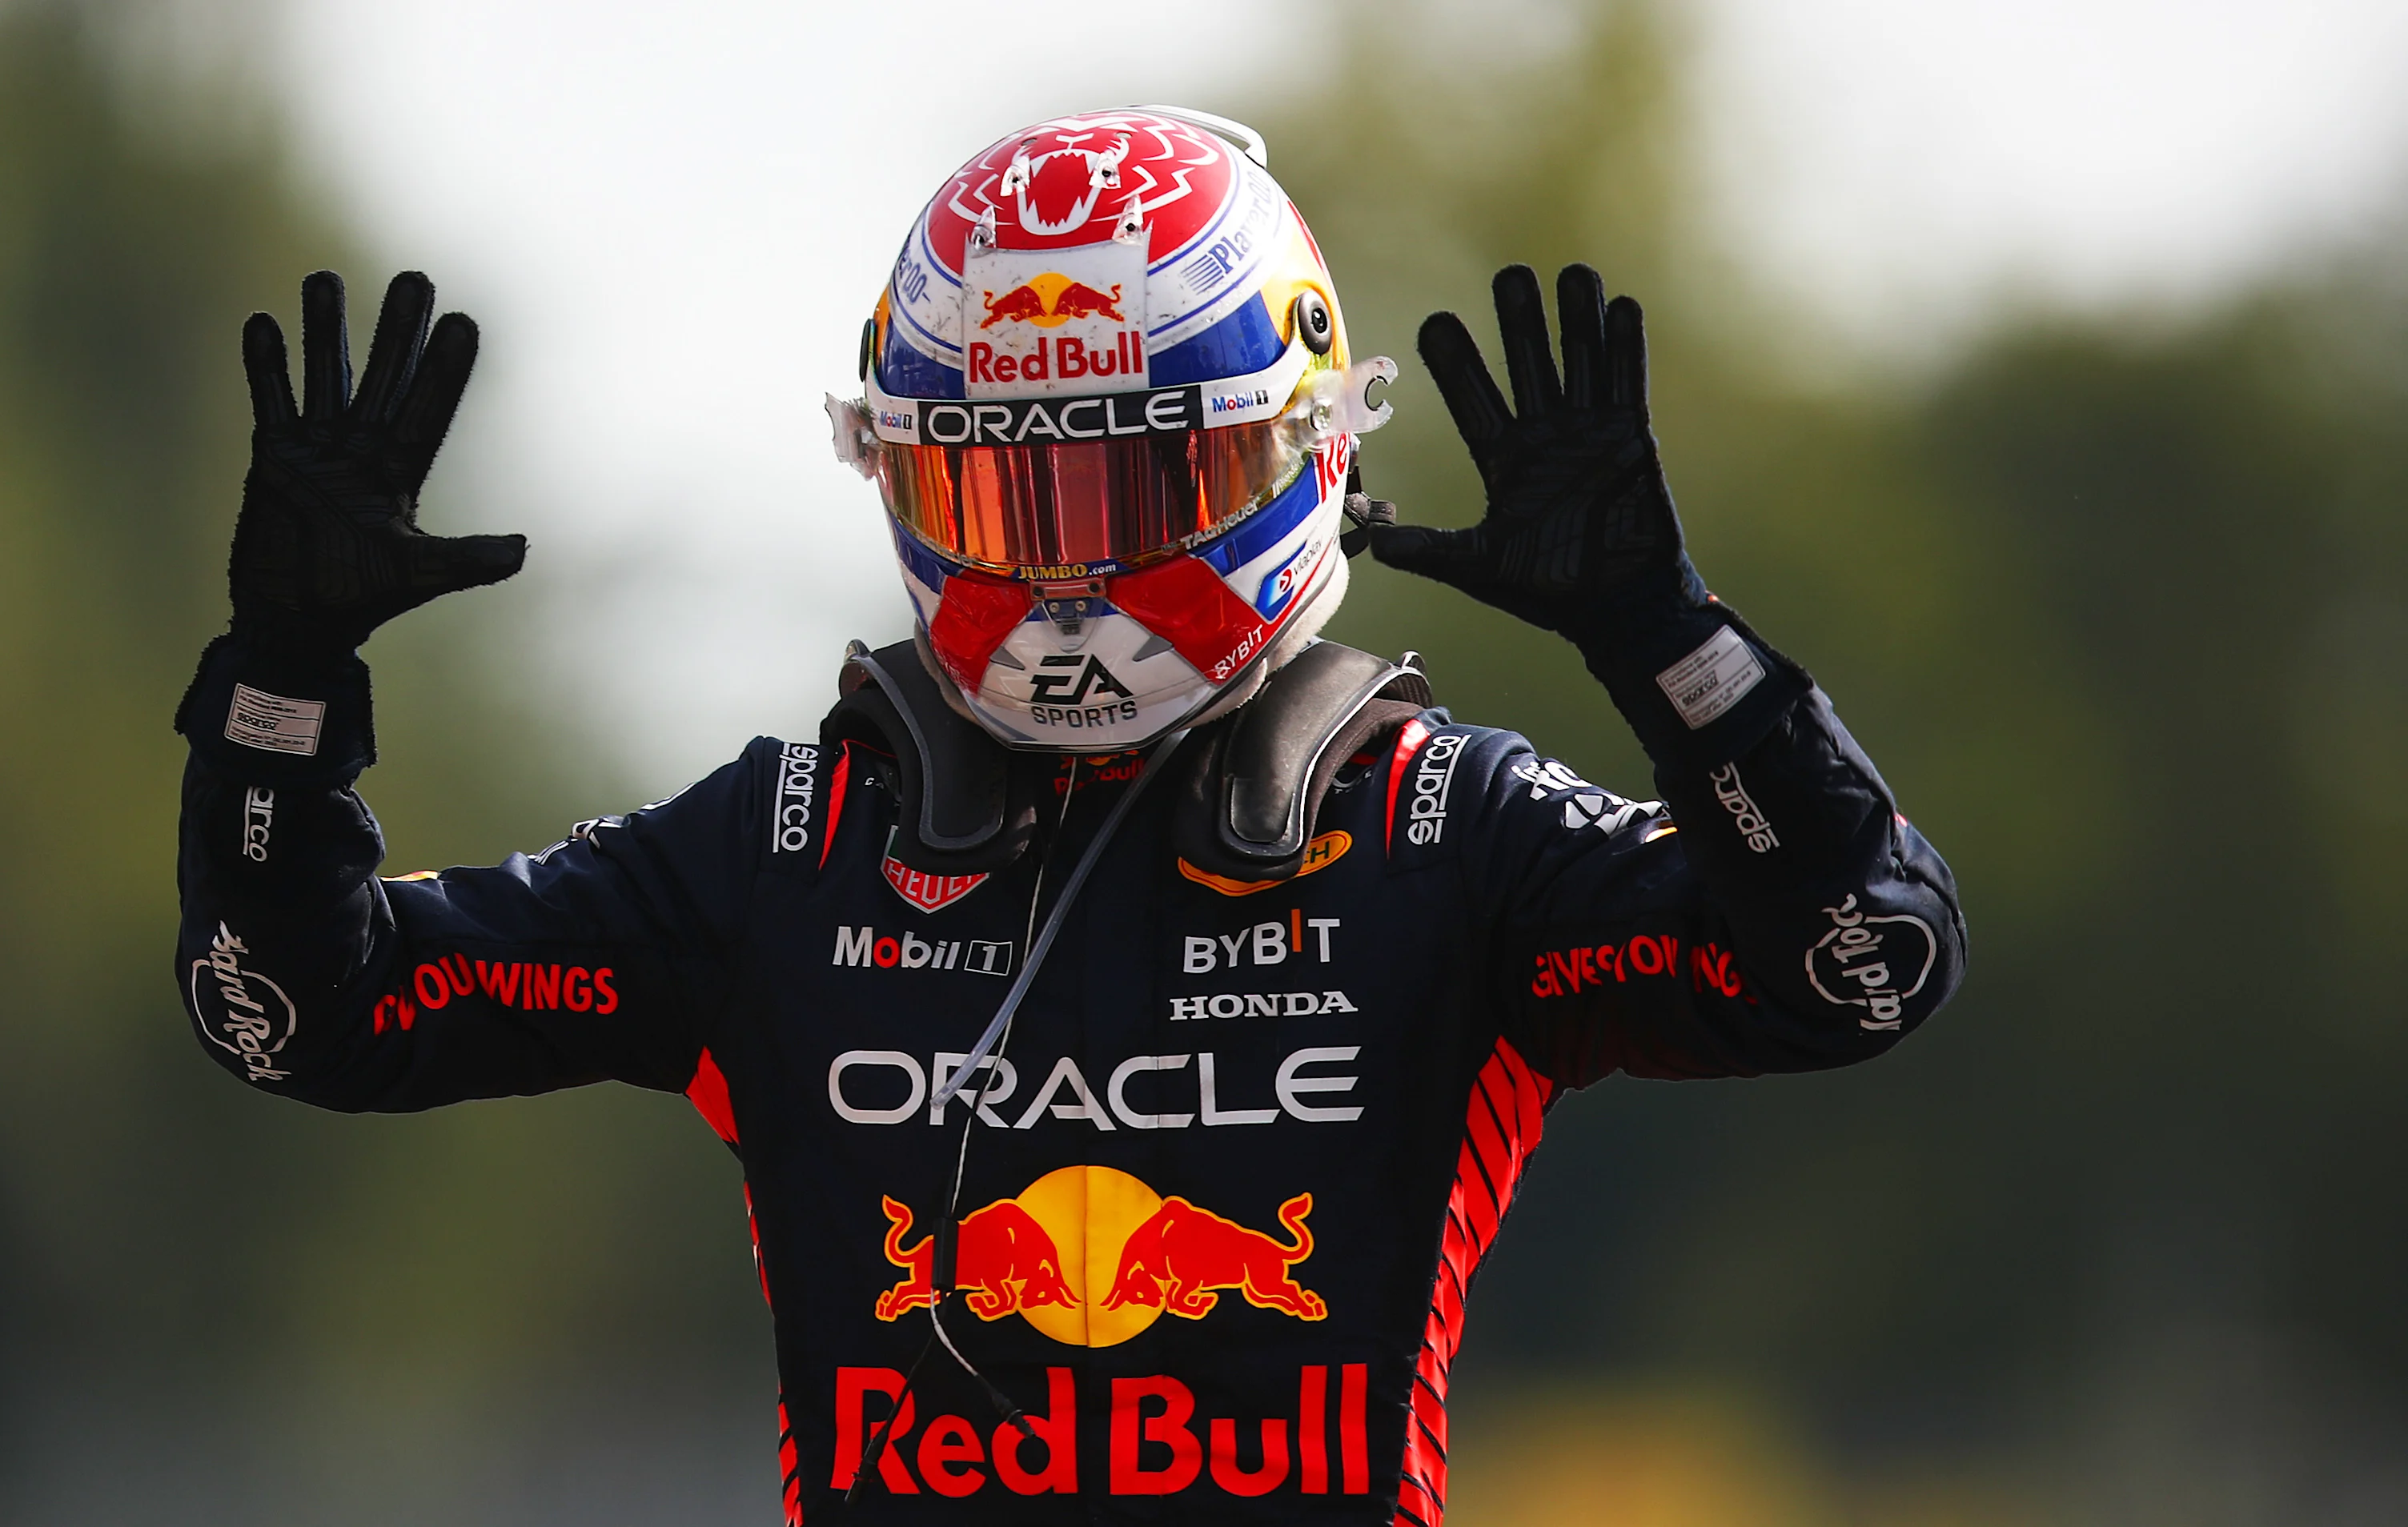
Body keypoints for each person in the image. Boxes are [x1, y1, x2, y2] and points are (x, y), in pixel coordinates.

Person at [174, 108, 1962, 1526]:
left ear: (1290, 447)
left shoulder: (1443, 831)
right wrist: (281, 687)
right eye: (999, 490)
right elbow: (302, 1013)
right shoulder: (788, 849)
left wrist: (1671, 645)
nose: (1063, 563)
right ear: (894, 472)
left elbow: (1859, 964)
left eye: (1133, 478)